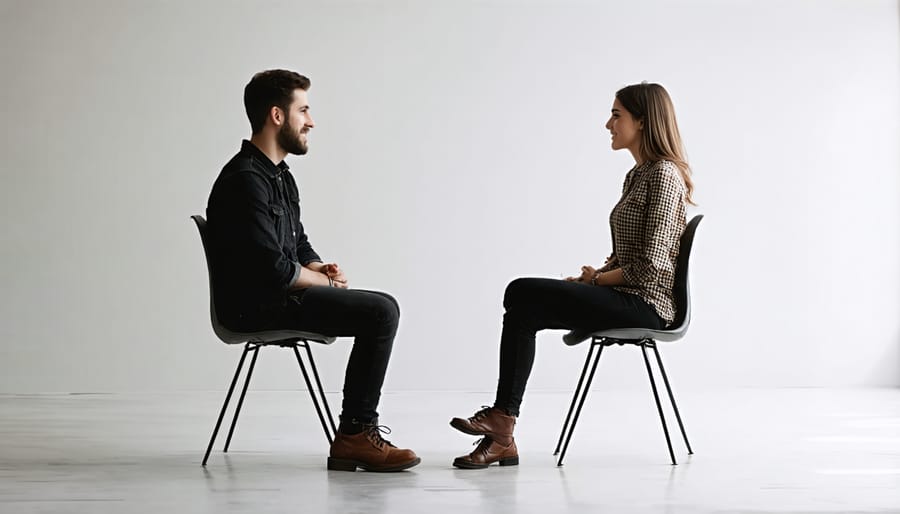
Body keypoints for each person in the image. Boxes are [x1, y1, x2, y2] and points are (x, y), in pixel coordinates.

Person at [449, 82, 696, 469]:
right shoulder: (638, 175)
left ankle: (501, 423)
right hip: (627, 294)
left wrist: (597, 283)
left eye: (617, 115)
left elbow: (650, 266)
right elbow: (626, 255)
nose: (608, 124)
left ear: (643, 122)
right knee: (522, 310)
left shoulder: (664, 175)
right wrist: (594, 275)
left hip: (647, 305)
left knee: (521, 290)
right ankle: (502, 433)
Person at [206, 69, 419, 472]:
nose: (311, 121)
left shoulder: (280, 177)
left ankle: (356, 434)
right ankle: (355, 435)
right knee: (381, 312)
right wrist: (321, 281)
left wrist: (321, 267)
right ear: (277, 116)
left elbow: (296, 244)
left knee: (383, 304)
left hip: (280, 296)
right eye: (303, 109)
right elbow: (272, 270)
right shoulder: (245, 181)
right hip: (254, 308)